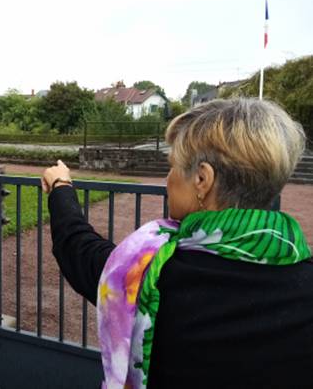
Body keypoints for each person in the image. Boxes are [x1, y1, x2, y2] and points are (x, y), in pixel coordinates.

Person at [42, 98, 313, 389]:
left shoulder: (152, 277)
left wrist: (61, 187)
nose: (168, 177)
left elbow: (78, 249)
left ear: (202, 179)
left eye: (172, 166)